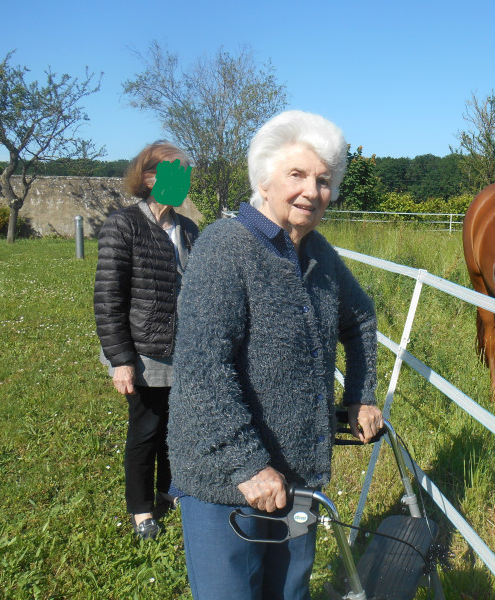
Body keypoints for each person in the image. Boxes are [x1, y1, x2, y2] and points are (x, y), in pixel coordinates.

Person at [168, 110, 383, 600]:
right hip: (228, 484)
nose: (313, 190)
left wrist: (361, 396)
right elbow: (203, 368)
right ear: (264, 180)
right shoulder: (226, 247)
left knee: (288, 594)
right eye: (297, 175)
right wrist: (247, 465)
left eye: (324, 180)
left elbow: (360, 318)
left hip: (297, 476)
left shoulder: (318, 254)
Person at [94, 141, 198, 540]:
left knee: (177, 427)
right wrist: (121, 360)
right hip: (142, 352)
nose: (182, 182)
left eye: (185, 174)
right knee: (147, 429)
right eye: (174, 173)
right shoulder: (125, 224)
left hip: (183, 350)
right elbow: (108, 298)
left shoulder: (188, 229)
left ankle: (168, 490)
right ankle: (141, 509)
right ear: (149, 177)